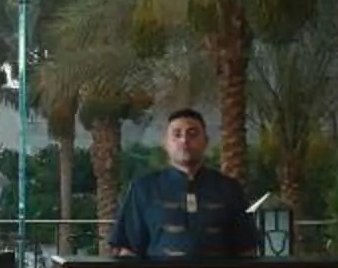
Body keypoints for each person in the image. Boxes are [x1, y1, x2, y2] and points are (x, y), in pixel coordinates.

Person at [108, 108, 258, 259]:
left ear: (205, 141)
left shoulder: (229, 188)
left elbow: (246, 250)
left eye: (192, 134)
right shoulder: (143, 189)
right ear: (165, 143)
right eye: (177, 134)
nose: (184, 140)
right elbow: (128, 251)